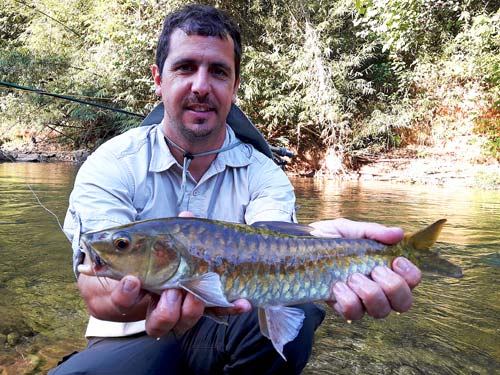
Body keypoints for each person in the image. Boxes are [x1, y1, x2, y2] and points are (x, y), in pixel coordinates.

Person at [49, 4, 421, 375]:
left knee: (302, 313)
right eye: (184, 67)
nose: (201, 85)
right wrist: (144, 290)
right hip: (132, 336)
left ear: (234, 86)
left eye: (218, 72)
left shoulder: (264, 173)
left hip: (227, 327)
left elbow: (279, 244)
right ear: (158, 79)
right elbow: (95, 292)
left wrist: (327, 254)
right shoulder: (111, 162)